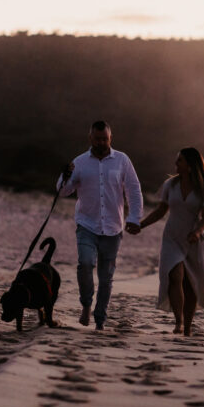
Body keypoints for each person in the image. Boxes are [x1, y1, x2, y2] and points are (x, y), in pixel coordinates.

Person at [58, 121, 143, 331]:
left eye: (105, 139)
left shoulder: (122, 160)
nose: (101, 142)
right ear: (90, 139)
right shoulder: (79, 162)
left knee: (106, 277)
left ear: (110, 138)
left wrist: (134, 217)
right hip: (87, 224)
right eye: (97, 139)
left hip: (113, 227)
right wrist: (64, 176)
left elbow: (133, 189)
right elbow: (63, 191)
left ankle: (100, 320)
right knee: (85, 264)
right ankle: (86, 304)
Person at [133, 147, 204, 336]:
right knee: (174, 275)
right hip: (172, 237)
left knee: (190, 285)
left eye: (179, 161)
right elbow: (161, 211)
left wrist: (197, 232)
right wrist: (141, 225)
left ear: (190, 165)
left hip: (194, 240)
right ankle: (178, 321)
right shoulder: (170, 185)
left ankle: (187, 326)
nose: (175, 165)